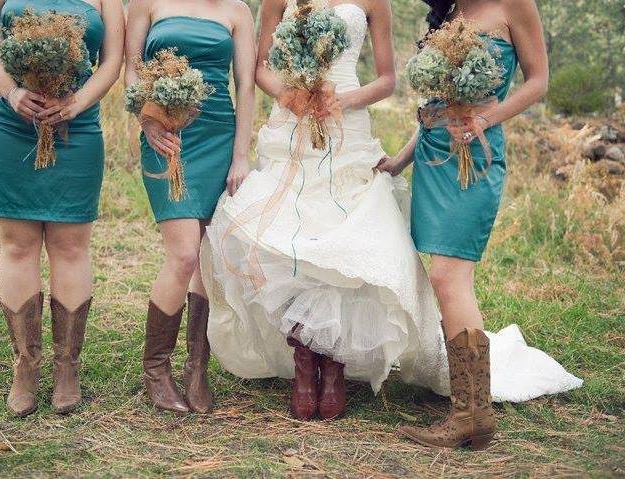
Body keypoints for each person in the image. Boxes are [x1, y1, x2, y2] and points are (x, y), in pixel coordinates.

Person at [201, 0, 452, 422]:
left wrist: (344, 100)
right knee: (294, 237)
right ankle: (303, 363)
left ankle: (334, 367)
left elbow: (388, 80)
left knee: (339, 239)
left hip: (346, 129)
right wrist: (290, 94)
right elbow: (260, 65)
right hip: (292, 122)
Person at [378, 0, 550, 449]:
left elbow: (539, 83)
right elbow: (438, 102)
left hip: (475, 156)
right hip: (434, 156)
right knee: (443, 277)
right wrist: (399, 160)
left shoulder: (515, 5)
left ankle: (472, 415)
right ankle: (469, 410)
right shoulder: (450, 12)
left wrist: (484, 119)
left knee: (448, 276)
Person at [0, 0, 124, 416]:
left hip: (77, 125)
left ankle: (67, 367)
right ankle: (26, 366)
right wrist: (11, 90)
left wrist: (78, 102)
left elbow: (111, 62)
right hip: (7, 121)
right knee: (17, 246)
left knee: (70, 247)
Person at [124, 0, 256, 413]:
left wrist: (240, 155)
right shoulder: (146, 3)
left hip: (219, 134)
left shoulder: (237, 10)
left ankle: (197, 367)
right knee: (183, 255)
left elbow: (246, 85)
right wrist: (147, 121)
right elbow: (131, 69)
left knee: (206, 259)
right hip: (166, 137)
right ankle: (156, 370)